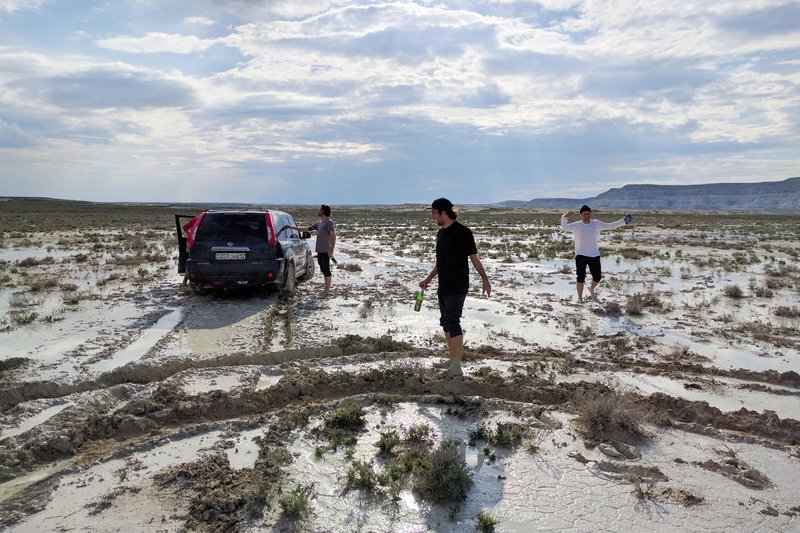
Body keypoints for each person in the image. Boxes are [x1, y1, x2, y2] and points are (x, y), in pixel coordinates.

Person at [419, 198, 491, 379]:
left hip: (458, 285)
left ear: (443, 212)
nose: (432, 216)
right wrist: (428, 279)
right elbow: (440, 263)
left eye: (434, 213)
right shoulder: (440, 234)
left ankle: (457, 366)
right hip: (443, 285)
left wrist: (484, 279)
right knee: (445, 322)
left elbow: (474, 259)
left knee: (452, 321)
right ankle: (452, 360)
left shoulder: (463, 232)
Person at [560, 205, 631, 302]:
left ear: (590, 214)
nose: (586, 215)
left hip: (594, 254)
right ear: (581, 214)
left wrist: (623, 221)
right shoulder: (577, 225)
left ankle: (591, 288)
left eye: (588, 213)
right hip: (581, 254)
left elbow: (611, 226)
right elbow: (564, 226)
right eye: (584, 214)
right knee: (580, 277)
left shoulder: (597, 224)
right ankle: (580, 298)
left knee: (597, 277)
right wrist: (564, 217)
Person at [285, 204, 336, 293]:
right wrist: (292, 227)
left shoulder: (329, 222)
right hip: (320, 250)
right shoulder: (319, 223)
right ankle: (326, 288)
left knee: (326, 269)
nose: (318, 210)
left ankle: (327, 289)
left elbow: (333, 236)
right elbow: (306, 229)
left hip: (326, 250)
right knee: (323, 268)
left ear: (323, 211)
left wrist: (331, 249)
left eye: (320, 209)